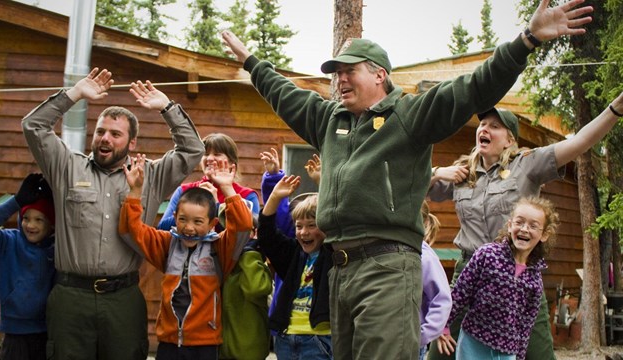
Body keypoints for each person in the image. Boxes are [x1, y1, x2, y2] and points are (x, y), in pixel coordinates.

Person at [222, 1, 593, 358]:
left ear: (380, 75)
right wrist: (251, 61)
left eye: (350, 70)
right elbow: (283, 93)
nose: (341, 79)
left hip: (388, 265)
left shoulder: (409, 114)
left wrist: (527, 39)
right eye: (337, 73)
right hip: (338, 267)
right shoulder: (328, 119)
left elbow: (475, 87)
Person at [21, 68, 204, 360]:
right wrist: (74, 94)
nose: (105, 139)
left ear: (132, 143)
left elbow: (193, 150)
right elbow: (33, 126)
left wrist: (167, 109)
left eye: (115, 134)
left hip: (123, 298)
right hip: (71, 297)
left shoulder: (151, 175)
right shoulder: (67, 167)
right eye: (101, 132)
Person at [428, 91, 623, 359]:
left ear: (510, 139)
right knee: (440, 352)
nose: (485, 128)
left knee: (538, 355)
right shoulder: (462, 173)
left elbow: (578, 142)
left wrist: (615, 109)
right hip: (470, 273)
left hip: (519, 276)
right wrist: (437, 173)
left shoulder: (528, 164)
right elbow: (413, 191)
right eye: (483, 124)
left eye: (495, 126)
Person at [120, 153, 254, 359]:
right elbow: (131, 231)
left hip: (205, 345)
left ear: (212, 224)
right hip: (169, 343)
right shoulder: (167, 244)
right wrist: (135, 191)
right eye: (183, 219)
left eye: (198, 222)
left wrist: (227, 189)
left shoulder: (220, 247)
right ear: (174, 218)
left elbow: (243, 227)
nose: (189, 228)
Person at [436, 196, 560, 360]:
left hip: (506, 351)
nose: (524, 229)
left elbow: (526, 323)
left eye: (533, 226)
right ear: (510, 226)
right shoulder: (487, 254)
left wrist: (519, 355)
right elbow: (460, 292)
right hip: (473, 341)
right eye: (519, 222)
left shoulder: (534, 278)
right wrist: (444, 325)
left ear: (544, 235)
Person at [258, 175, 332, 360]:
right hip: (286, 338)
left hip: (320, 339)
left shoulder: (333, 253)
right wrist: (274, 197)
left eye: (312, 225)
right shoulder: (293, 254)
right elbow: (267, 237)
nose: (304, 232)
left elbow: (341, 222)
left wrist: (323, 183)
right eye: (299, 226)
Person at [0, 173, 55, 360]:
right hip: (15, 337)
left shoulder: (57, 250)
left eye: (39, 220)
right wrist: (17, 201)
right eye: (26, 218)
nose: (30, 225)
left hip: (46, 334)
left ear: (51, 225)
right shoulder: (7, 243)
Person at [158, 132, 260, 231]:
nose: (210, 158)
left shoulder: (247, 195)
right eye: (206, 154)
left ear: (231, 162)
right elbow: (162, 227)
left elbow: (251, 233)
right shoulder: (184, 190)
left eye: (217, 154)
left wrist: (216, 206)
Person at [219, 229, 273, 360]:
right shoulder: (221, 263)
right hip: (221, 349)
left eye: (245, 232)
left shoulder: (255, 262)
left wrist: (249, 254)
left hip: (249, 352)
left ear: (254, 234)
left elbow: (256, 289)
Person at [419, 201, 451, 360]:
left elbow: (442, 300)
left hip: (411, 341)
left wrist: (423, 335)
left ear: (424, 223)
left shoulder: (425, 257)